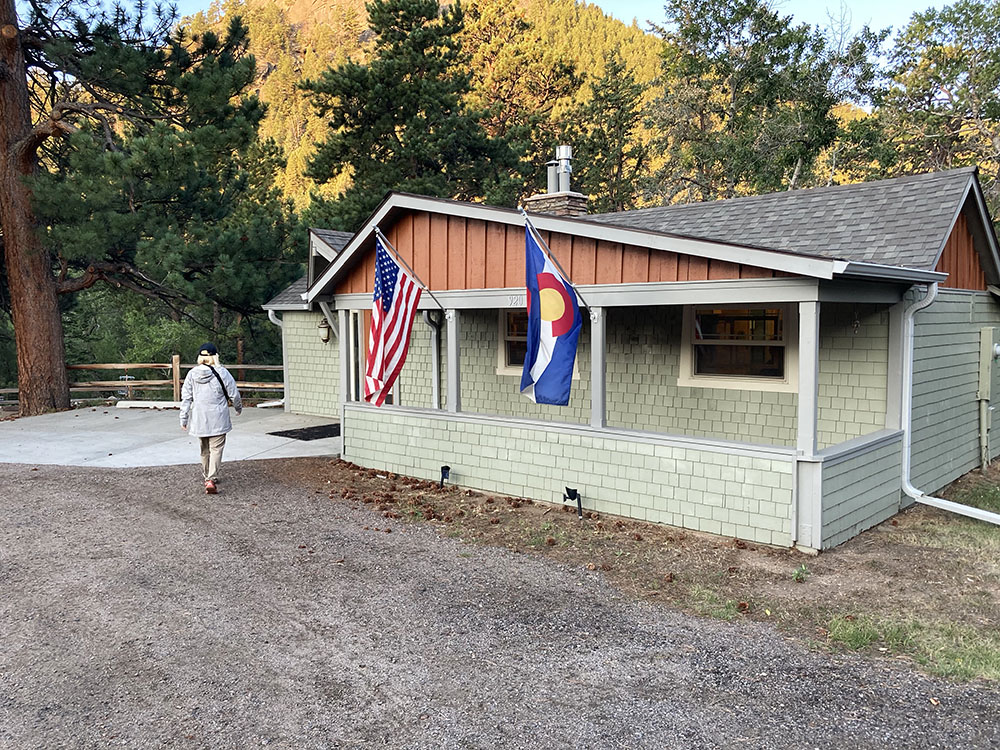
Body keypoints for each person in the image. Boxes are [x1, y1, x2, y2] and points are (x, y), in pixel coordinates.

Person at [179, 343, 242, 494]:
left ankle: (207, 476)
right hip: (218, 417)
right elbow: (233, 393)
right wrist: (238, 407)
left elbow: (186, 397)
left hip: (199, 418)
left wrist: (184, 417)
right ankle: (211, 478)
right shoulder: (222, 372)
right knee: (216, 448)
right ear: (215, 356)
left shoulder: (192, 374)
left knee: (204, 449)